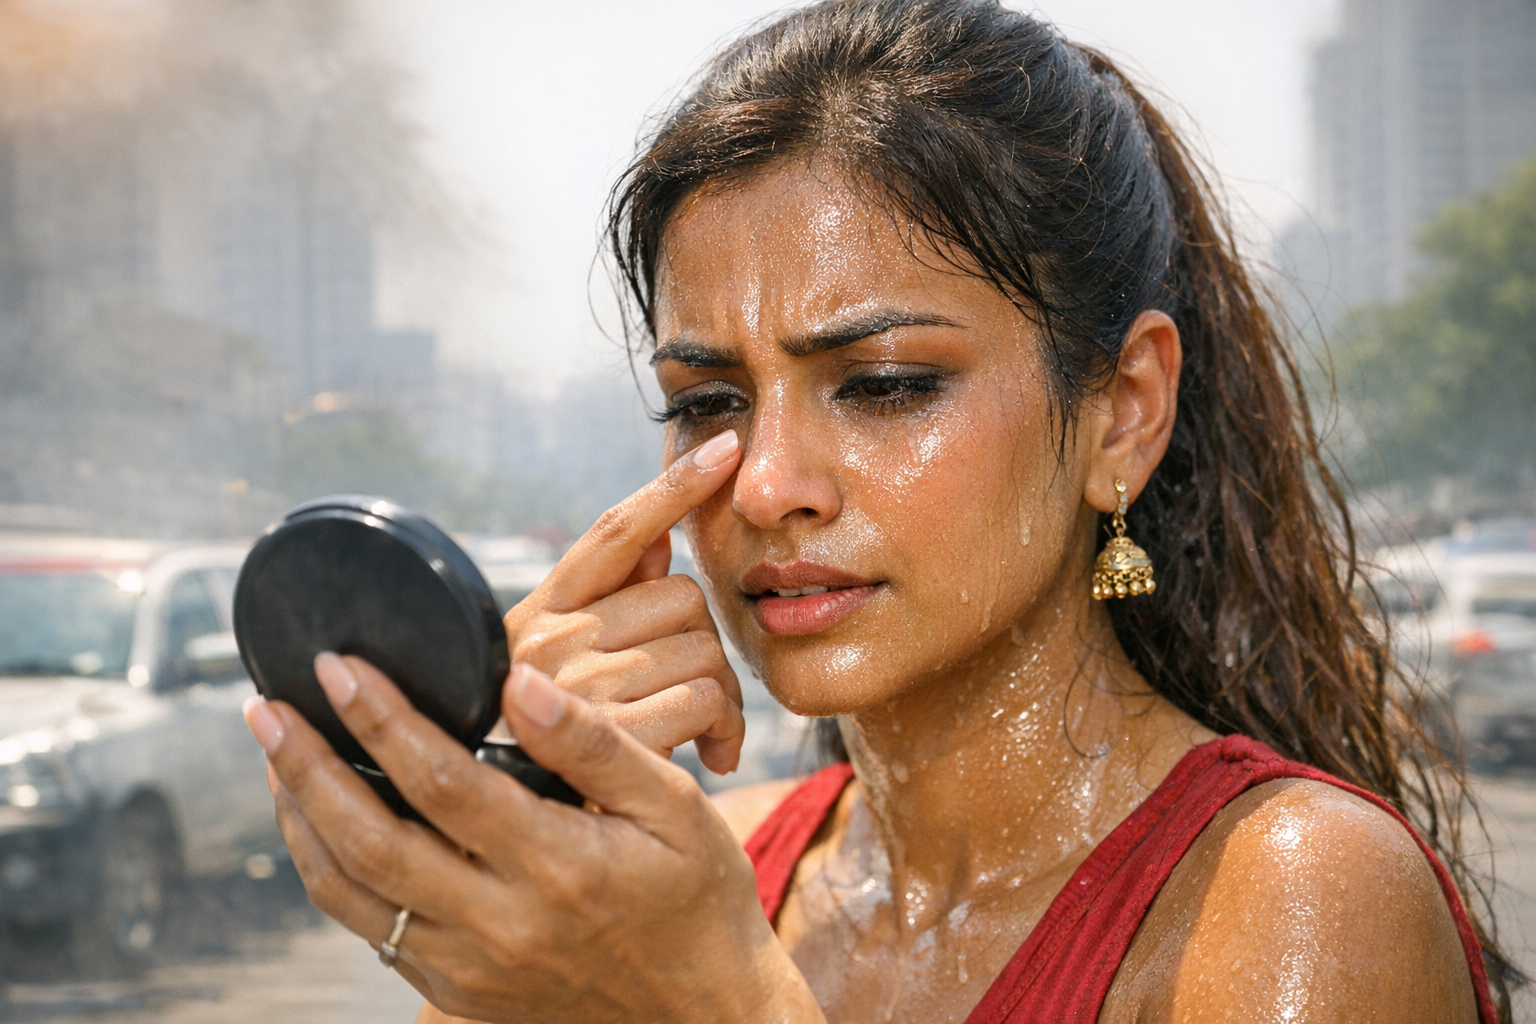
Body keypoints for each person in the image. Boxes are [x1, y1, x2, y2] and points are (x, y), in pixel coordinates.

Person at [242, 1, 1509, 1020]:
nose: (769, 480)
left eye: (887, 384)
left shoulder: (1293, 897)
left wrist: (713, 1003)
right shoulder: (697, 871)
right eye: (709, 401)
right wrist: (504, 875)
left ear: (1122, 412)